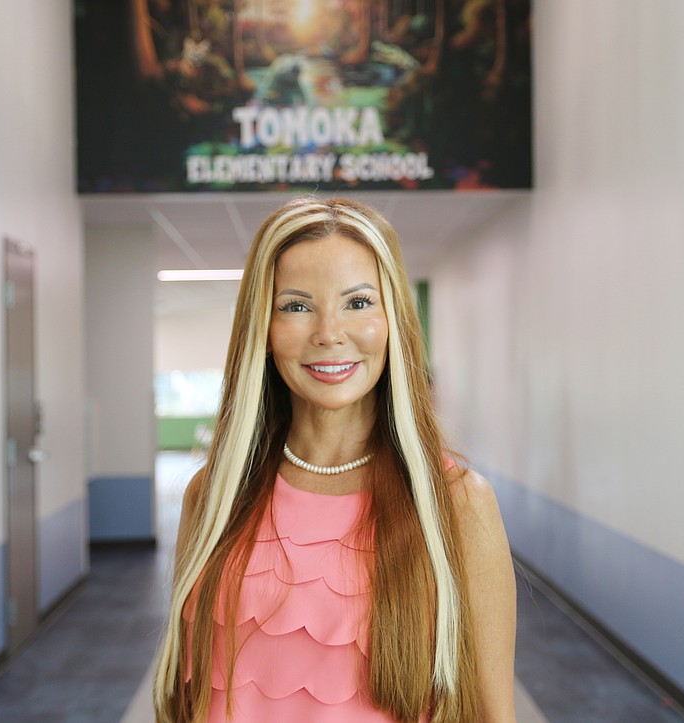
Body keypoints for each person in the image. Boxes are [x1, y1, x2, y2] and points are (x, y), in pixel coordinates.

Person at [153, 197, 516, 722]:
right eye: (296, 306)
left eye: (359, 302)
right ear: (264, 328)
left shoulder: (457, 505)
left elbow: (492, 715)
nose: (328, 332)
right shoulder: (212, 496)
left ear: (393, 321)